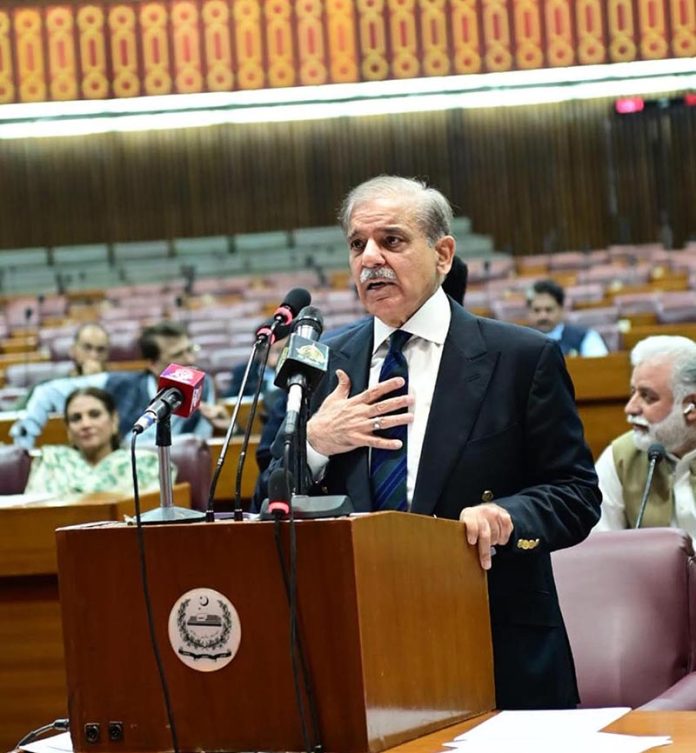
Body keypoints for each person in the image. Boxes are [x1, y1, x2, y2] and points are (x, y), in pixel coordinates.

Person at [260, 175, 601, 710]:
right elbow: (268, 497)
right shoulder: (317, 365)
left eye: (391, 241)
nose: (370, 258)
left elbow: (576, 493)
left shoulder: (519, 358)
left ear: (443, 254)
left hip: (492, 634)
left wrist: (511, 516)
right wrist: (315, 443)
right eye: (357, 245)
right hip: (355, 645)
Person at [11, 320, 223, 447]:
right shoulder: (118, 383)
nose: (191, 360)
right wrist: (24, 446)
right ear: (152, 363)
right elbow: (46, 392)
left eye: (190, 350)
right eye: (179, 354)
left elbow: (204, 444)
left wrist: (225, 428)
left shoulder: (204, 387)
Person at [594, 336, 696, 538]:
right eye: (633, 393)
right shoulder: (619, 457)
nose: (630, 408)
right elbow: (601, 548)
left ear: (690, 406)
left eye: (648, 397)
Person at [24, 386, 161, 496]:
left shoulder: (143, 464)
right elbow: (32, 513)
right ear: (68, 429)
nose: (86, 424)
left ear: (114, 420)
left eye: (95, 415)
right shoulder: (52, 462)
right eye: (76, 418)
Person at [13, 322, 111, 410]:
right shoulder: (49, 387)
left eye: (100, 350)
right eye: (87, 348)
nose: (93, 356)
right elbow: (10, 417)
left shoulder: (118, 388)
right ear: (73, 350)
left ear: (108, 354)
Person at [526, 279, 608, 357]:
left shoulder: (585, 336)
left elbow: (601, 366)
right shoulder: (520, 341)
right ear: (529, 312)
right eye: (537, 310)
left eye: (549, 310)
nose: (543, 316)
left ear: (561, 310)